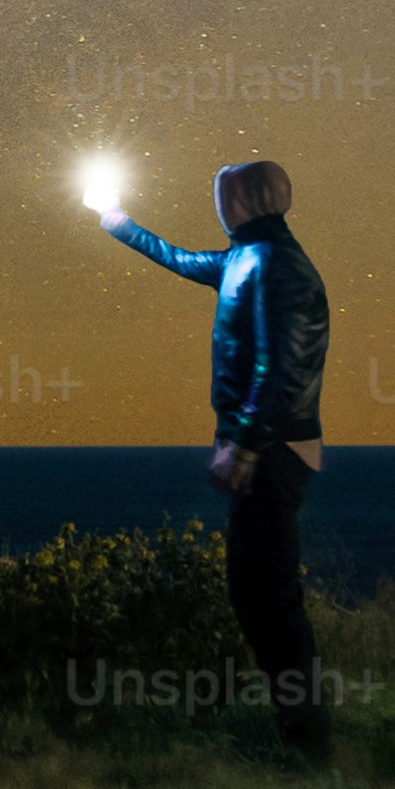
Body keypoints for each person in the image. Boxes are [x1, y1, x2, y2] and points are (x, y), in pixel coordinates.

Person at [95, 157, 334, 756]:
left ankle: (310, 744)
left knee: (271, 600)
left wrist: (246, 447)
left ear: (245, 200)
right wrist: (119, 223)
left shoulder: (282, 269)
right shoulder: (245, 259)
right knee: (256, 594)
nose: (217, 206)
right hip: (262, 447)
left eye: (221, 195)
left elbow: (280, 369)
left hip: (274, 452)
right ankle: (299, 734)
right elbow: (182, 260)